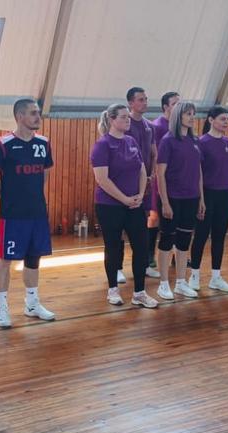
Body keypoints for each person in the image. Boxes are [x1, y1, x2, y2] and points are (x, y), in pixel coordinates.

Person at [0, 98, 58, 327]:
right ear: (19, 116)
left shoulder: (43, 143)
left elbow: (44, 174)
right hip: (13, 214)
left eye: (38, 112)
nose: (38, 117)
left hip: (37, 212)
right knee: (5, 260)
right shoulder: (3, 144)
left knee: (34, 258)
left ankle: (32, 304)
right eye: (33, 113)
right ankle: (1, 308)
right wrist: (10, 197)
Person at [91, 104, 157, 308]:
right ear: (112, 120)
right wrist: (124, 199)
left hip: (134, 204)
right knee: (113, 247)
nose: (128, 120)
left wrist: (139, 194)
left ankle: (139, 293)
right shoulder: (103, 145)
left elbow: (142, 170)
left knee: (142, 246)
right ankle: (113, 290)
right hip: (109, 205)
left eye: (128, 117)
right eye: (123, 117)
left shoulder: (131, 141)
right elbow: (102, 179)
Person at [155, 101, 202, 300]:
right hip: (173, 198)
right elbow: (160, 173)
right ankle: (163, 284)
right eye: (188, 114)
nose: (192, 117)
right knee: (167, 240)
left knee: (184, 242)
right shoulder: (168, 141)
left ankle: (181, 283)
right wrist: (165, 202)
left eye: (193, 114)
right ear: (178, 116)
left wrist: (201, 199)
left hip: (191, 198)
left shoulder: (194, 141)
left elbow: (198, 172)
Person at [188, 106, 228, 293]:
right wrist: (201, 199)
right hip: (207, 194)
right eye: (223, 119)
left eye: (227, 119)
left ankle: (216, 277)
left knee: (219, 237)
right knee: (201, 236)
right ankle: (194, 275)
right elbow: (198, 173)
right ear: (211, 120)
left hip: (224, 196)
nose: (226, 122)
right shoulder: (201, 142)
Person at [122, 87, 160, 280]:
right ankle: (117, 267)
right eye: (140, 100)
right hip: (127, 184)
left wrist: (151, 176)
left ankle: (144, 264)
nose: (144, 103)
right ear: (130, 103)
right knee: (122, 225)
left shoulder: (149, 126)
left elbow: (154, 153)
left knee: (143, 224)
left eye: (146, 99)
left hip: (145, 183)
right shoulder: (124, 124)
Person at [147, 92, 179, 278]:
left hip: (176, 180)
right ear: (166, 107)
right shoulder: (157, 126)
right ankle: (149, 255)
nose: (178, 106)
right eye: (175, 103)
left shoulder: (180, 126)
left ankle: (176, 254)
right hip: (160, 178)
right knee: (154, 216)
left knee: (177, 217)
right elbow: (155, 154)